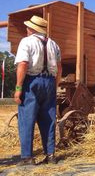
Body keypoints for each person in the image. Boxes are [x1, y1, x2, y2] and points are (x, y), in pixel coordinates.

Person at [14, 15, 62, 165]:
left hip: (32, 81)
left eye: (27, 27)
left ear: (32, 29)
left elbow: (23, 64)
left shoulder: (26, 42)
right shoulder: (54, 44)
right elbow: (59, 68)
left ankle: (28, 157)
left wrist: (18, 88)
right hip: (49, 82)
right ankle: (50, 155)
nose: (26, 29)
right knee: (48, 118)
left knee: (27, 119)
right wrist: (54, 85)